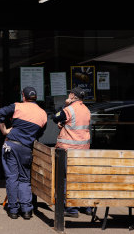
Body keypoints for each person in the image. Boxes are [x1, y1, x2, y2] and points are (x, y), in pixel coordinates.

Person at [0, 86, 47, 220]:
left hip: (11, 145)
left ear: (23, 96)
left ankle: (13, 210)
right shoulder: (43, 114)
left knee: (12, 177)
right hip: (26, 149)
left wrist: (4, 130)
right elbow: (40, 133)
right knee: (25, 178)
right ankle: (26, 211)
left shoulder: (17, 106)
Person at [53, 87, 92, 218]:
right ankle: (86, 206)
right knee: (80, 177)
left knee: (66, 178)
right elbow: (76, 124)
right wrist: (64, 123)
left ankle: (71, 208)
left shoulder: (69, 109)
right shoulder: (87, 110)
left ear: (72, 95)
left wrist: (65, 104)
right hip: (83, 150)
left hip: (68, 150)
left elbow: (55, 117)